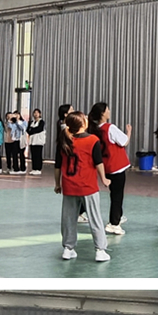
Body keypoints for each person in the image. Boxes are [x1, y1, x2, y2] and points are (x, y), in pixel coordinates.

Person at [54, 110, 111, 262]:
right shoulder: (92, 140)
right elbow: (98, 162)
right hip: (88, 186)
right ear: (83, 124)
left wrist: (57, 184)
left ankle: (68, 248)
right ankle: (100, 250)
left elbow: (57, 166)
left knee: (68, 219)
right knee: (95, 218)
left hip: (69, 186)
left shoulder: (64, 140)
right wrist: (104, 179)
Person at [88, 102, 131, 236]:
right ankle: (114, 223)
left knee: (114, 193)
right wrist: (129, 132)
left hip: (105, 166)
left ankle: (118, 216)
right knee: (117, 195)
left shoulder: (94, 130)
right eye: (107, 109)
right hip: (116, 166)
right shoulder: (110, 128)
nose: (109, 111)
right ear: (102, 113)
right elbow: (124, 141)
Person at [28, 108, 46, 175]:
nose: (36, 114)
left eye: (37, 113)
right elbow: (28, 130)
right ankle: (34, 168)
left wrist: (32, 130)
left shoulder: (41, 122)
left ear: (40, 114)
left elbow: (39, 129)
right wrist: (32, 130)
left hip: (39, 141)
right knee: (33, 155)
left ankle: (38, 169)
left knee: (38, 155)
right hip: (32, 141)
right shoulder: (31, 122)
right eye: (34, 113)